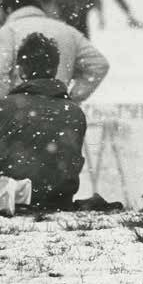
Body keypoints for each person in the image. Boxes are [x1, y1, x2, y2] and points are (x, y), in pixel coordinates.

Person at [0, 32, 87, 210]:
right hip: (59, 201)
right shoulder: (74, 112)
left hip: (13, 200)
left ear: (21, 69)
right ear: (55, 69)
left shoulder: (6, 107)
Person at [0, 0, 109, 100]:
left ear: (8, 10)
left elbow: (1, 71)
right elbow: (99, 64)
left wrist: (6, 105)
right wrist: (74, 97)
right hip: (58, 109)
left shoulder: (7, 32)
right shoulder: (67, 30)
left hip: (19, 111)